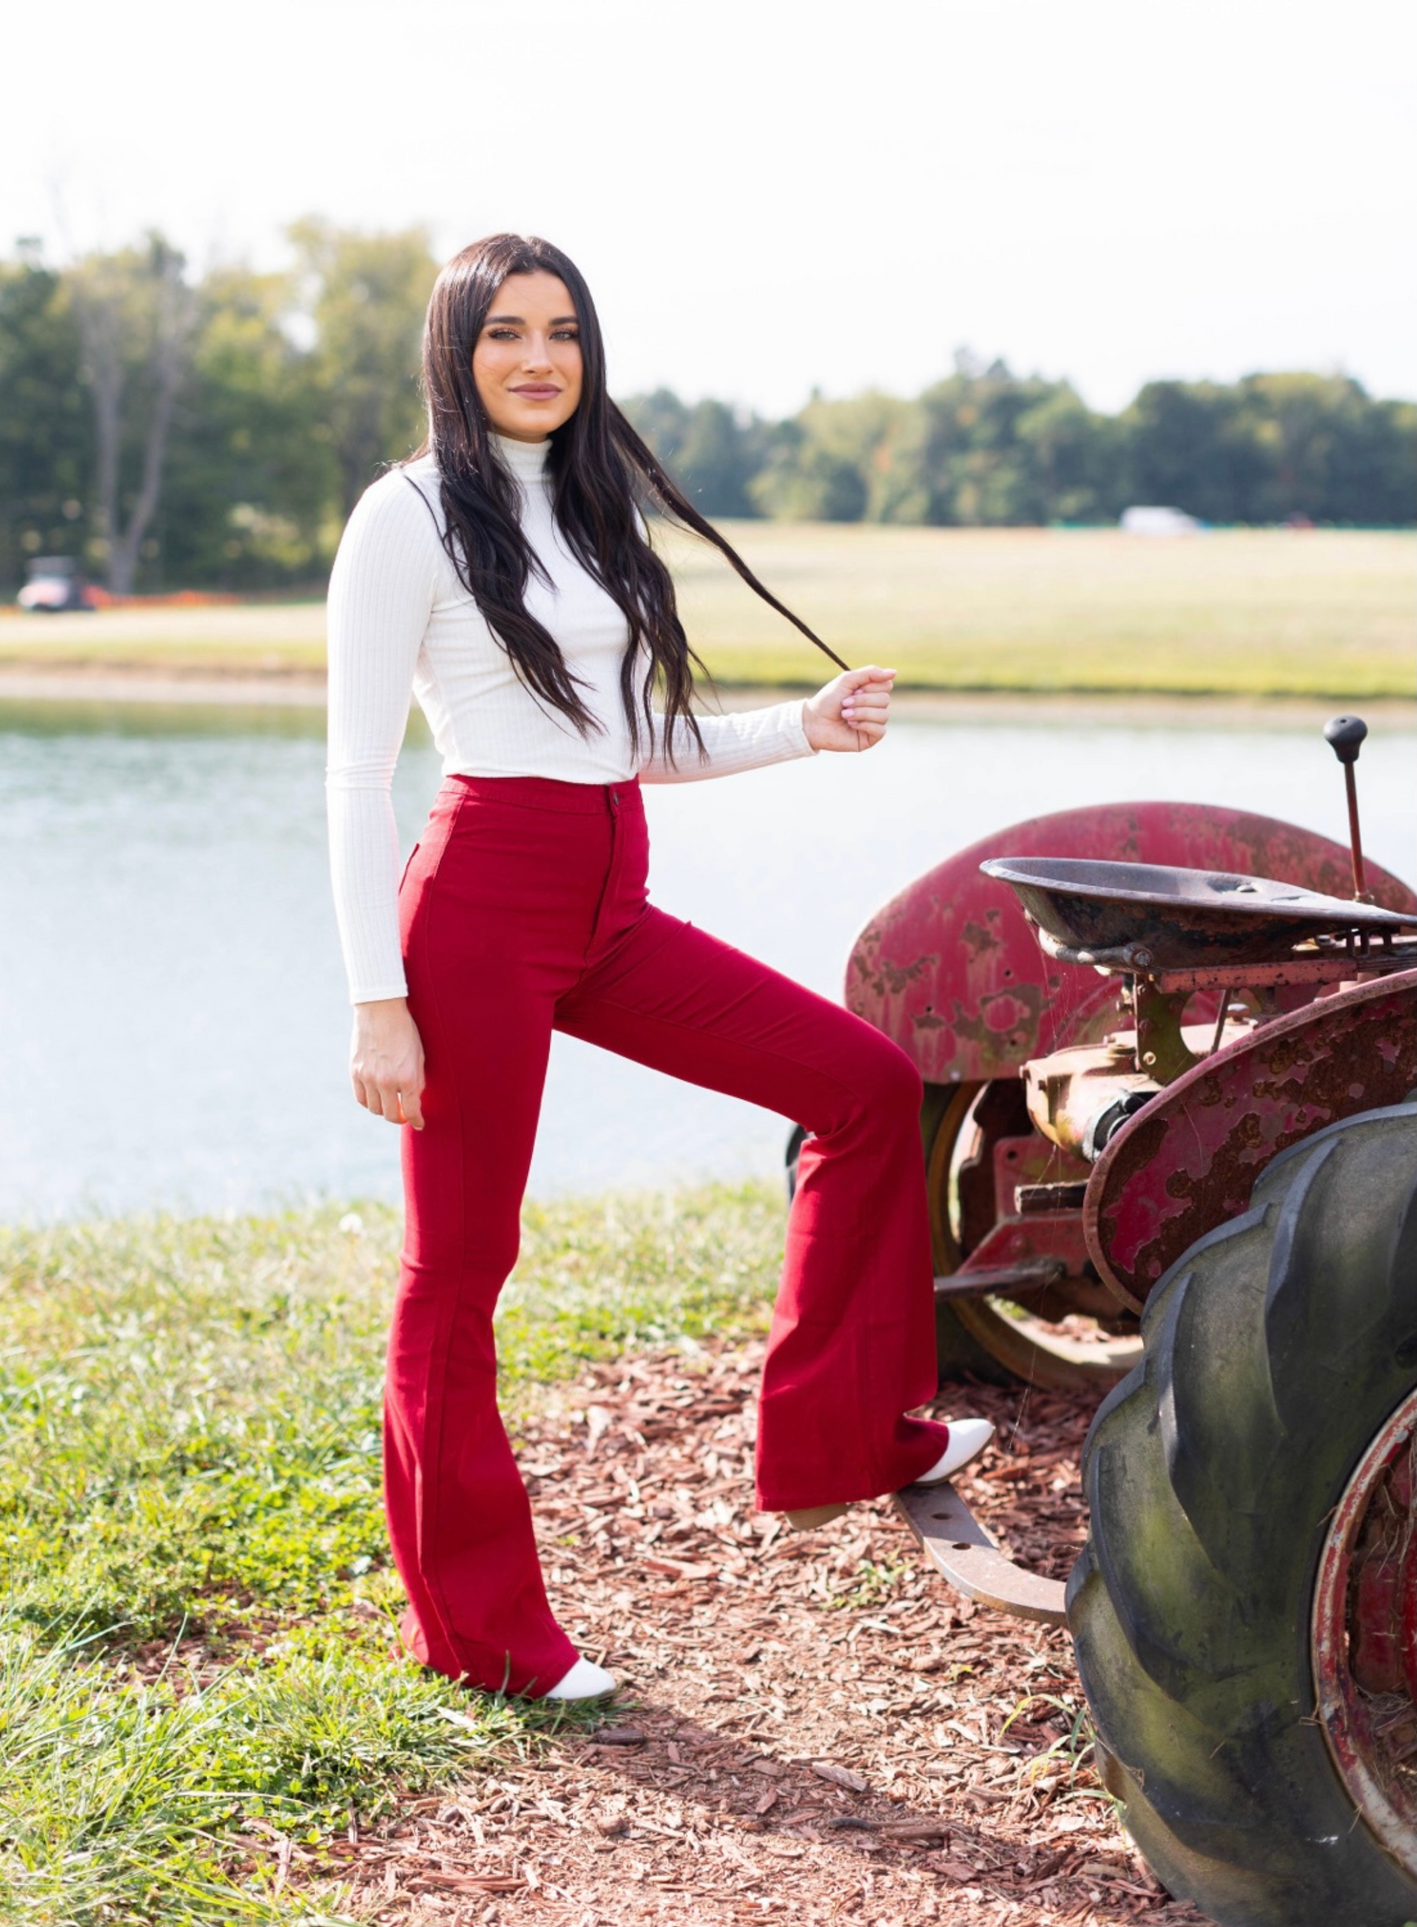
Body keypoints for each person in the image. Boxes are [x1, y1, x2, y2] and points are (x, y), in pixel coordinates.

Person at [325, 233, 993, 1705]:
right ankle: (485, 1634)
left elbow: (621, 745)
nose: (539, 357)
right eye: (506, 331)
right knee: (459, 1268)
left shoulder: (584, 501)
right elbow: (356, 768)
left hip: (606, 897)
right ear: (456, 349)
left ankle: (841, 1437)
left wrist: (796, 729)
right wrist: (380, 996)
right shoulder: (408, 515)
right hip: (477, 909)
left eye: (562, 329)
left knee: (867, 1087)